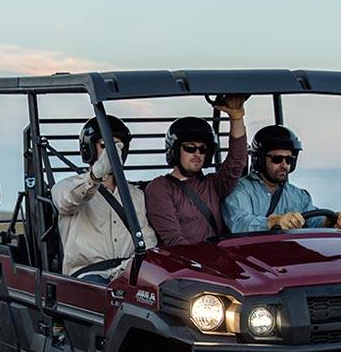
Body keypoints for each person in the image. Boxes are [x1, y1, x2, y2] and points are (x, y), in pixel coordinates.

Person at [51, 115, 156, 284]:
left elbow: (147, 237)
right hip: (89, 274)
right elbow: (68, 201)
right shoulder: (67, 187)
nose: (113, 153)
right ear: (89, 148)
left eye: (118, 147)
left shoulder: (135, 194)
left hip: (128, 271)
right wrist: (95, 176)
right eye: (105, 146)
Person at [144, 95, 249, 245]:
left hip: (219, 258)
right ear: (175, 150)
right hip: (187, 263)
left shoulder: (213, 184)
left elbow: (237, 160)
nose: (197, 154)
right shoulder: (160, 188)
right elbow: (174, 240)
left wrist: (236, 118)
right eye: (190, 148)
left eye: (203, 149)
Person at [223, 124, 341, 233]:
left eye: (289, 160)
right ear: (259, 160)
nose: (284, 165)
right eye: (277, 159)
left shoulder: (298, 196)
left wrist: (328, 223)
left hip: (288, 257)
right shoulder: (240, 190)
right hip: (247, 256)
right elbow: (239, 223)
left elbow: (313, 220)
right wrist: (273, 222)